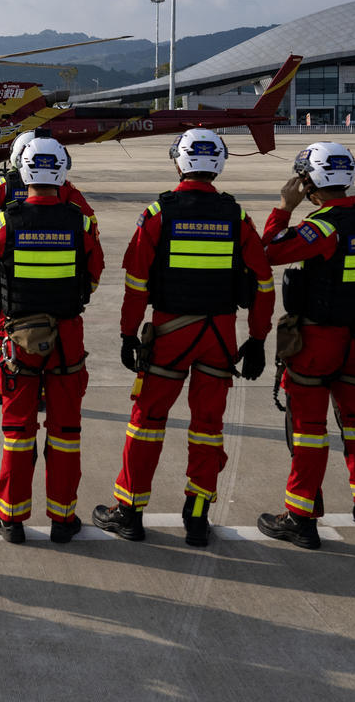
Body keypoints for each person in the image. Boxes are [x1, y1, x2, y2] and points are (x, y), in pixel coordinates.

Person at [93, 129, 274, 547]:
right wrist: (259, 338)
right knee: (208, 426)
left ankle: (130, 511)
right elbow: (263, 284)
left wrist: (126, 333)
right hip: (219, 334)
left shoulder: (159, 213)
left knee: (147, 422)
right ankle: (197, 516)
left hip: (171, 334)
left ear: (179, 162)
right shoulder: (237, 217)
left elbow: (137, 283)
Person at [258, 142, 355, 550]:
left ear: (309, 180)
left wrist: (284, 206)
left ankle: (300, 517)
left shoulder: (323, 226)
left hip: (317, 341)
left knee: (309, 431)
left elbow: (269, 251)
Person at [0, 138, 103, 543]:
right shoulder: (79, 221)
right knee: (66, 432)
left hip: (19, 339)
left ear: (23, 170)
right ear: (62, 171)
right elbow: (95, 276)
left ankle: (11, 519)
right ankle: (63, 519)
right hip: (67, 338)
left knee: (18, 431)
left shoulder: (3, 222)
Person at [0, 131, 96, 405]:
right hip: (61, 289)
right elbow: (91, 230)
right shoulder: (67, 191)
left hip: (11, 280)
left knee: (6, 336)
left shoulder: (2, 187)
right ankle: (34, 392)